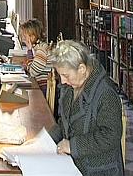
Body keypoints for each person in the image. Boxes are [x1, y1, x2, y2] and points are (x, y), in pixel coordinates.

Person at [48, 39, 124, 176]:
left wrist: (73, 146)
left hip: (99, 170)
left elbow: (111, 136)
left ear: (82, 69)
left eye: (65, 75)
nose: (63, 81)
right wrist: (45, 140)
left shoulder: (105, 94)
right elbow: (65, 122)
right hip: (74, 166)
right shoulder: (72, 85)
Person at [18, 18, 50, 89]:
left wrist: (29, 50)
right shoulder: (40, 47)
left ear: (32, 37)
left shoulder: (41, 50)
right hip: (40, 85)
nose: (24, 39)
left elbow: (32, 72)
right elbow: (33, 67)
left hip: (42, 89)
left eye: (25, 36)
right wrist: (29, 65)